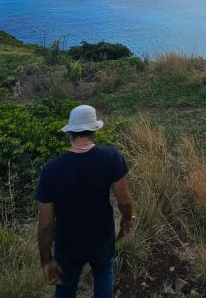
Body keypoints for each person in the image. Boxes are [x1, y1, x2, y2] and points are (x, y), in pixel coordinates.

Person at [36, 105, 136, 298]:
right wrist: (127, 218)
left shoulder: (51, 170)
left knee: (65, 288)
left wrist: (46, 260)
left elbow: (46, 225)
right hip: (102, 238)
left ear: (71, 132)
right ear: (94, 130)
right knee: (104, 274)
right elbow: (124, 201)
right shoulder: (111, 157)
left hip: (67, 244)